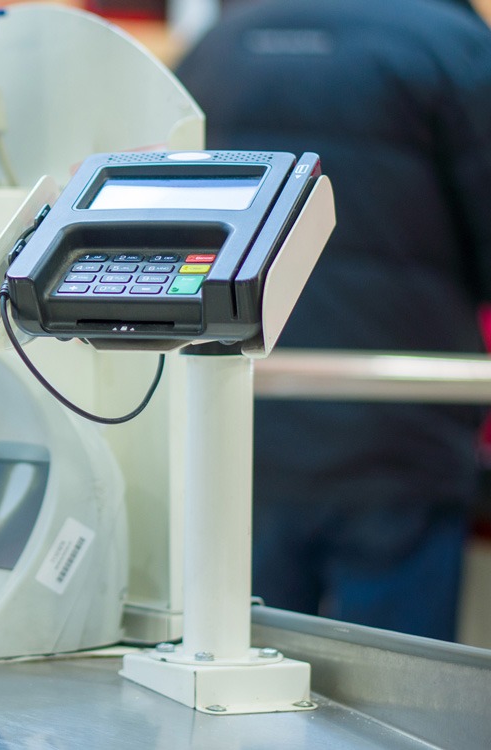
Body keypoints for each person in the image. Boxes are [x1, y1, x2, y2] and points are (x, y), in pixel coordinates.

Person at [174, 0, 491, 640]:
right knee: (402, 695)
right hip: (397, 416)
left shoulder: (218, 45)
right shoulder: (454, 47)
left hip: (243, 413)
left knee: (242, 659)